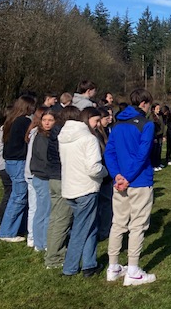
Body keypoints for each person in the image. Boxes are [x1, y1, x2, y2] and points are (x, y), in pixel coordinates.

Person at [104, 88, 156, 285]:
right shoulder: (146, 124)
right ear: (144, 103)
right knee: (137, 225)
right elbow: (143, 155)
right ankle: (133, 270)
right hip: (139, 180)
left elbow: (109, 153)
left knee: (118, 223)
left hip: (121, 182)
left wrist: (117, 175)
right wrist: (125, 177)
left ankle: (113, 266)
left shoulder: (117, 125)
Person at [59, 107, 107, 277]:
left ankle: (89, 265)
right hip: (86, 188)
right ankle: (70, 268)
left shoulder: (63, 137)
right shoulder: (89, 139)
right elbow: (93, 168)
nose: (97, 125)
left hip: (70, 188)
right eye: (96, 121)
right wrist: (106, 172)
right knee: (80, 229)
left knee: (90, 226)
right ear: (88, 120)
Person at [0, 95, 36, 242]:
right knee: (18, 197)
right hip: (18, 161)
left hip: (10, 161)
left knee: (16, 195)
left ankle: (12, 228)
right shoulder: (24, 121)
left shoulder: (11, 120)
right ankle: (7, 231)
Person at [45, 106, 77, 269]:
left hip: (54, 177)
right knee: (62, 220)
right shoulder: (64, 133)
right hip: (62, 177)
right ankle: (54, 258)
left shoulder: (55, 131)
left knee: (56, 217)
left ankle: (51, 251)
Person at [30, 107, 56, 252]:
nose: (47, 123)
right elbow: (46, 159)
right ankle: (43, 242)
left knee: (42, 210)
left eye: (50, 120)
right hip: (43, 177)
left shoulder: (47, 135)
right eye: (44, 120)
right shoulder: (42, 137)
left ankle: (39, 242)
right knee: (45, 211)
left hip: (42, 176)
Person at [94, 106, 114, 241]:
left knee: (105, 202)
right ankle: (103, 230)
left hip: (105, 173)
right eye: (107, 118)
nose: (109, 120)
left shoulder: (105, 131)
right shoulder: (97, 134)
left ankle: (104, 229)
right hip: (102, 173)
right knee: (105, 202)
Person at [0, 106, 13, 226]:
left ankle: (4, 222)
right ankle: (3, 222)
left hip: (3, 166)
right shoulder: (7, 130)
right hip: (5, 166)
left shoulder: (4, 129)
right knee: (9, 195)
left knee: (9, 194)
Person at [150, 103, 165, 170]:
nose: (158, 110)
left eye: (159, 108)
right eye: (157, 109)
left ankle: (158, 163)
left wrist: (164, 135)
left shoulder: (160, 116)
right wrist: (154, 137)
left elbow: (163, 125)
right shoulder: (151, 117)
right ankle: (154, 165)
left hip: (160, 135)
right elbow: (151, 128)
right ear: (153, 109)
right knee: (154, 150)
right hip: (155, 136)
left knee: (159, 149)